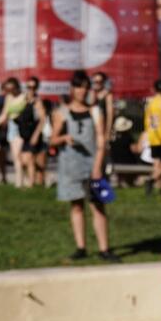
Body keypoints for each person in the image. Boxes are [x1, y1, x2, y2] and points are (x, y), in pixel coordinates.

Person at [50, 70, 111, 261]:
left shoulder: (95, 111)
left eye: (85, 87)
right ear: (72, 89)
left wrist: (98, 166)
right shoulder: (61, 113)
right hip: (70, 166)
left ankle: (104, 249)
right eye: (78, 87)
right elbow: (52, 139)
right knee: (76, 206)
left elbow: (101, 140)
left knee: (98, 206)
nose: (82, 91)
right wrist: (63, 138)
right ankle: (81, 247)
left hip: (93, 165)